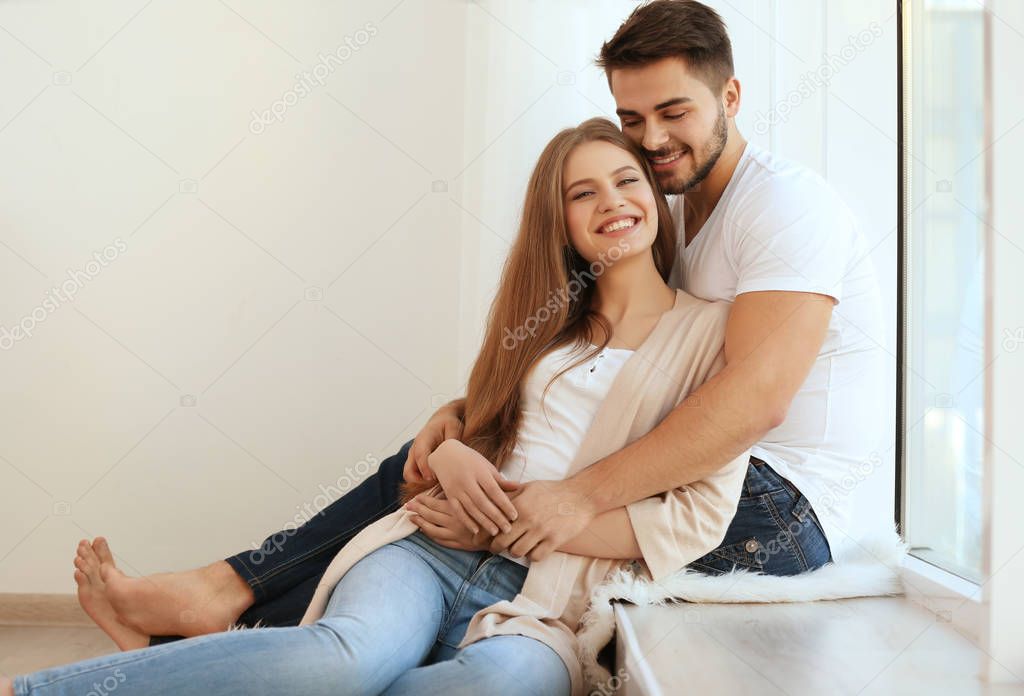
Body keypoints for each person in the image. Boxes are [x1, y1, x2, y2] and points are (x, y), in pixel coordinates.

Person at [75, 0, 879, 653]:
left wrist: (569, 498)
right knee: (441, 468)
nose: (654, 139)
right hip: (709, 472)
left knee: (469, 504)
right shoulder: (671, 209)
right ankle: (239, 612)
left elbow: (757, 399)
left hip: (778, 511)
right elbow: (613, 370)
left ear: (731, 99)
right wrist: (462, 420)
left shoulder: (784, 206)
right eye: (631, 118)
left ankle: (225, 597)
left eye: (674, 112)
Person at [8, 117, 752, 696]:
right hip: (428, 552)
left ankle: (186, 666)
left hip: (548, 606)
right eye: (582, 192)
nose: (612, 203)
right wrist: (454, 447)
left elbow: (695, 518)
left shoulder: (709, 334)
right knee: (348, 657)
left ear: (655, 198)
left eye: (626, 182)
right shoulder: (544, 319)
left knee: (489, 687)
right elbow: (485, 422)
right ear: (559, 220)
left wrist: (508, 528)